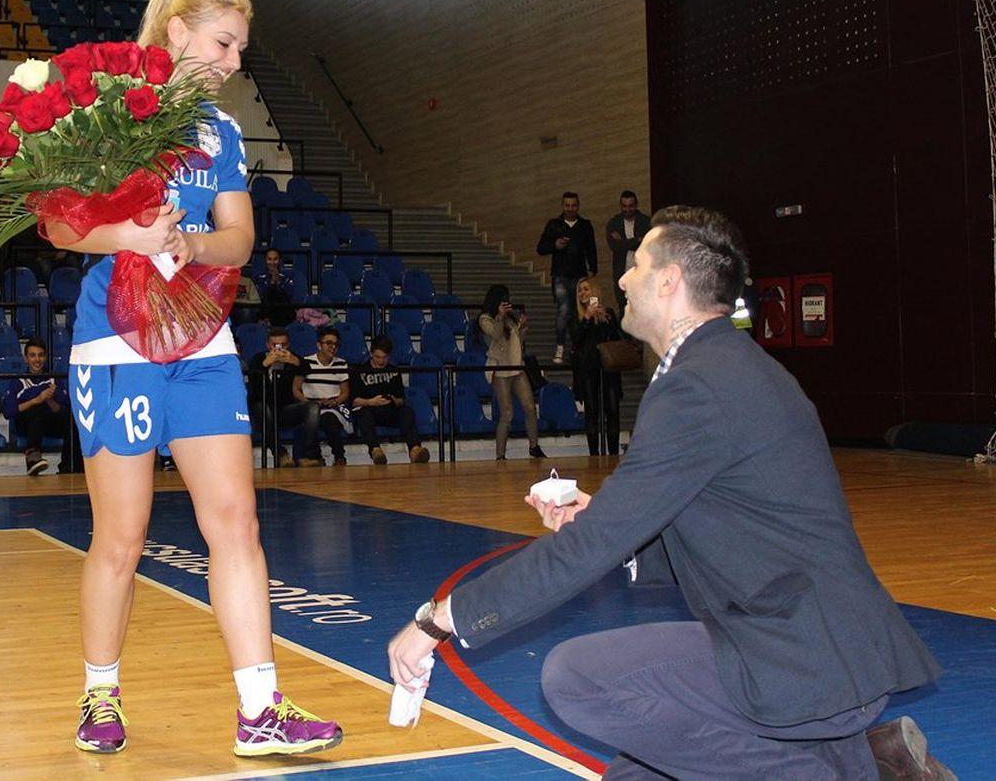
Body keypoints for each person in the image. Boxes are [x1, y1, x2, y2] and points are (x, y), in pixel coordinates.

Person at [389, 206, 949, 780]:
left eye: (636, 265)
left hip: (800, 661)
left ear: (669, 280)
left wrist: (440, 620)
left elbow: (588, 551)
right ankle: (867, 761)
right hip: (819, 652)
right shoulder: (727, 367)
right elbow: (730, 527)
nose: (623, 279)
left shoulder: (699, 385)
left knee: (577, 680)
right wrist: (608, 528)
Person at [0, 0, 342, 757]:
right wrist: (129, 239)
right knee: (123, 534)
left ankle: (260, 709)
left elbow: (238, 237)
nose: (234, 63)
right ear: (177, 32)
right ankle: (99, 692)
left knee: (235, 520)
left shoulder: (223, 131)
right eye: (224, 44)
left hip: (201, 341)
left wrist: (190, 243)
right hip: (116, 346)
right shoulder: (109, 108)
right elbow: (58, 227)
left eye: (241, 50)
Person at [478, 284, 545, 461]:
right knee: (507, 413)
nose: (506, 303)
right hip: (501, 369)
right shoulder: (485, 319)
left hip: (517, 366)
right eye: (503, 300)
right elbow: (496, 335)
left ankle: (534, 446)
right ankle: (500, 454)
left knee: (530, 407)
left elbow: (517, 343)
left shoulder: (510, 318)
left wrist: (522, 328)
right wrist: (500, 317)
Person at [2, 337, 79, 475]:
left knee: (72, 419)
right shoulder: (18, 381)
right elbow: (9, 412)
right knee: (37, 408)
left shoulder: (53, 379)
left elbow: (62, 410)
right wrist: (37, 400)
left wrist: (49, 400)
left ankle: (70, 467)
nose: (37, 360)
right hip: (25, 425)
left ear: (45, 357)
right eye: (32, 355)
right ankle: (32, 457)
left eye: (40, 355)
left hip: (48, 422)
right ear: (26, 359)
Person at [535, 192, 597, 363]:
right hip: (560, 274)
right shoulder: (554, 225)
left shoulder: (585, 225)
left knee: (581, 312)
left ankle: (579, 348)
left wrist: (593, 269)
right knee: (563, 311)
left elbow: (591, 248)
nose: (570, 209)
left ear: (578, 206)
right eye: (567, 205)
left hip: (580, 275)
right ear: (562, 206)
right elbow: (540, 248)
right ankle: (560, 346)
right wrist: (555, 245)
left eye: (573, 205)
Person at [350, 335, 430, 464]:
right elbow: (354, 401)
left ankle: (415, 450)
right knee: (362, 414)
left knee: (407, 411)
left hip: (389, 409)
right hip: (370, 409)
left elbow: (401, 399)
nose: (381, 361)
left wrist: (393, 399)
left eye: (385, 357)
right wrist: (370, 402)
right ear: (371, 354)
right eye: (378, 357)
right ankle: (375, 450)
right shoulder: (360, 371)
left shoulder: (393, 370)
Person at [569, 277, 622, 456]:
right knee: (592, 412)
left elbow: (615, 339)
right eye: (580, 290)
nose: (582, 293)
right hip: (587, 370)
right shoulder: (575, 316)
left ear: (595, 292)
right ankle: (594, 455)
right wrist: (587, 317)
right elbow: (576, 339)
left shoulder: (608, 313)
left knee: (612, 410)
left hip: (608, 369)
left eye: (586, 289)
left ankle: (613, 454)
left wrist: (603, 319)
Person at [246, 325, 309, 467]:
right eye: (274, 345)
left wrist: (295, 361)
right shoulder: (258, 359)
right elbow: (253, 383)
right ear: (267, 345)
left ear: (288, 345)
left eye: (283, 345)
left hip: (285, 408)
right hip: (263, 408)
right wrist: (265, 364)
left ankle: (308, 455)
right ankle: (280, 454)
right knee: (261, 408)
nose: (279, 348)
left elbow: (307, 368)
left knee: (312, 408)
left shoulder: (292, 358)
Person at [293, 325, 350, 466]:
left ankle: (339, 456)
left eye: (336, 344)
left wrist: (335, 401)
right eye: (329, 343)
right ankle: (316, 457)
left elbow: (345, 392)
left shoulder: (341, 363)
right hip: (310, 406)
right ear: (319, 345)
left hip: (333, 406)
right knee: (312, 418)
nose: (333, 347)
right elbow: (296, 388)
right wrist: (308, 403)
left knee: (328, 419)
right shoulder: (306, 362)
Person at [606, 189, 650, 314]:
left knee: (642, 311)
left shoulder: (645, 221)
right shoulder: (614, 223)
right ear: (620, 206)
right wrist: (636, 240)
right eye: (624, 206)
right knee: (623, 310)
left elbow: (646, 245)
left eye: (630, 206)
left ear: (636, 205)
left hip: (642, 273)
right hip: (621, 273)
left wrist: (623, 241)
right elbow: (614, 246)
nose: (627, 209)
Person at [253, 247, 295, 324]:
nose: (272, 262)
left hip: (283, 312)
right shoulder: (259, 278)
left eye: (275, 259)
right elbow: (261, 297)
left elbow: (289, 297)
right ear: (265, 260)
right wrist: (272, 283)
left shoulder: (287, 277)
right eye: (269, 259)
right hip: (265, 311)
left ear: (280, 260)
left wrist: (278, 283)